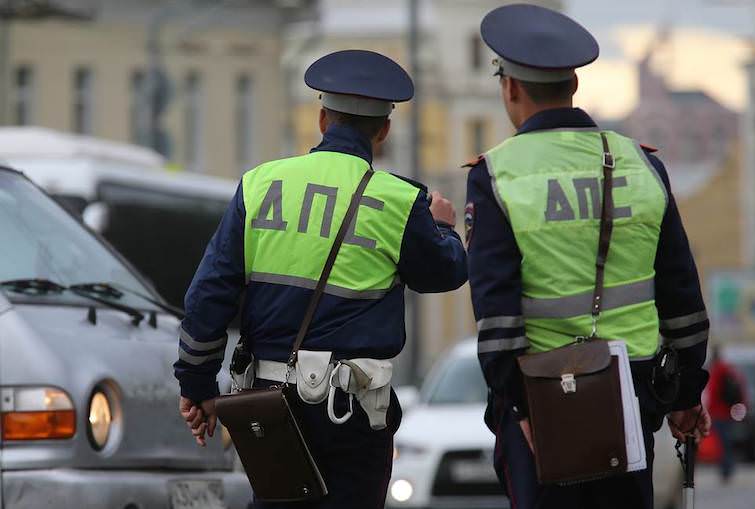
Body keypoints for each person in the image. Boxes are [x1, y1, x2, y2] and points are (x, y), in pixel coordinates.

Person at [173, 49, 468, 508]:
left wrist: (197, 387)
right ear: (384, 130)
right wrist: (445, 227)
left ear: (321, 118)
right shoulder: (400, 200)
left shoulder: (260, 184)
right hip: (349, 415)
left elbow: (207, 297)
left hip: (267, 409)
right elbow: (446, 273)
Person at [465, 5, 712, 509]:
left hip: (542, 402)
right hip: (632, 399)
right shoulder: (640, 163)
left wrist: (519, 409)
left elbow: (497, 313)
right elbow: (682, 295)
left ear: (509, 87)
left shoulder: (497, 175)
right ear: (574, 83)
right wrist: (686, 395)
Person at [705, 345, 745, 482]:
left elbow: (713, 392)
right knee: (726, 442)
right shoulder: (727, 368)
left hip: (718, 413)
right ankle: (727, 468)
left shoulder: (718, 370)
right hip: (725, 413)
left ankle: (726, 469)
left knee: (723, 443)